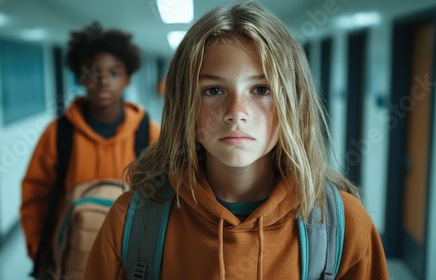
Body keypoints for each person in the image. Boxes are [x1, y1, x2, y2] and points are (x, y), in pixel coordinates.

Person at [84, 2, 389, 279]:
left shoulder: (344, 226)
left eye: (261, 90)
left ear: (293, 102)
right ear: (184, 104)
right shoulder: (132, 221)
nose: (236, 113)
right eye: (213, 90)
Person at [20, 22, 160, 276]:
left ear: (127, 78)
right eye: (94, 73)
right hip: (71, 253)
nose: (104, 80)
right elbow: (35, 197)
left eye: (114, 73)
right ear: (82, 78)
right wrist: (39, 250)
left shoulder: (150, 133)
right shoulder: (59, 134)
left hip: (131, 253)